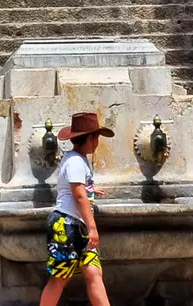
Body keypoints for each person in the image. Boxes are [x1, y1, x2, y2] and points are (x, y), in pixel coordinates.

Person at [41, 111, 114, 306]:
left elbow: (80, 188)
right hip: (66, 225)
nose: (98, 143)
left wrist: (91, 188)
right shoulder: (75, 161)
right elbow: (78, 194)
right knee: (60, 278)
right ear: (90, 138)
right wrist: (92, 228)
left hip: (77, 226)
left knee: (94, 272)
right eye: (97, 137)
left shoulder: (77, 159)